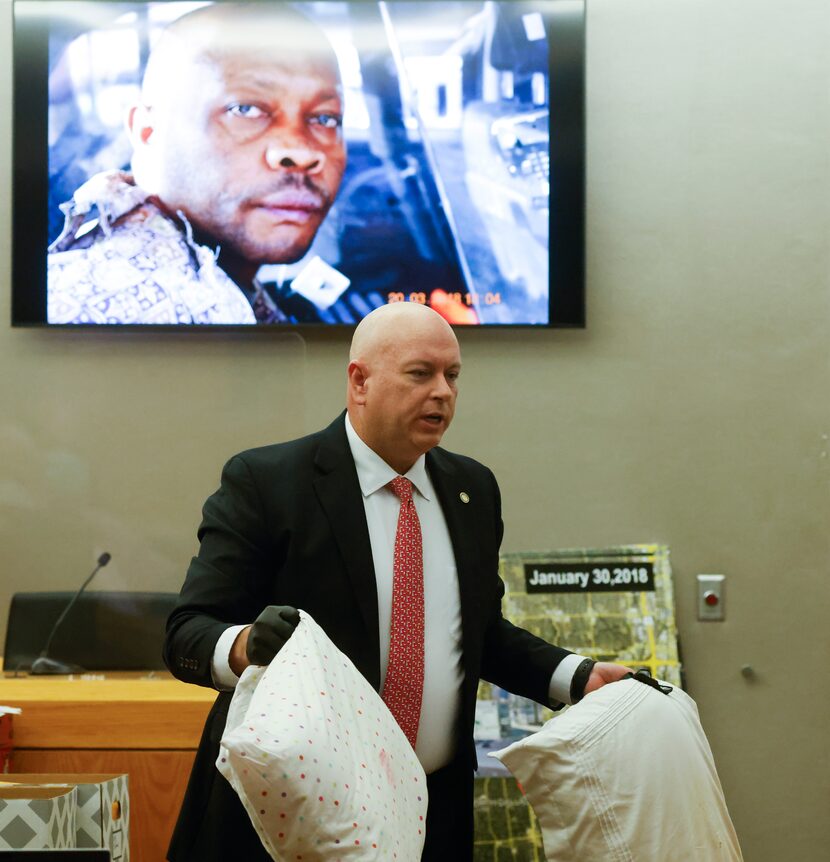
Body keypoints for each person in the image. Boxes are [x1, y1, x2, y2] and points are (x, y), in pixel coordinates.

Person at [163, 302, 629, 861]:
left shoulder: (472, 489)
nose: (443, 393)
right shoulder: (268, 483)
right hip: (294, 822)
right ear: (359, 381)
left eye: (452, 376)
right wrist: (243, 647)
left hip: (431, 816)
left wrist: (577, 677)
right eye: (420, 374)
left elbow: (477, 634)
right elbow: (186, 632)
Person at [47, 3, 346, 325]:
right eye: (244, 109)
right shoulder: (96, 308)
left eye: (325, 118)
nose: (302, 152)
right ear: (147, 129)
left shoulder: (221, 287)